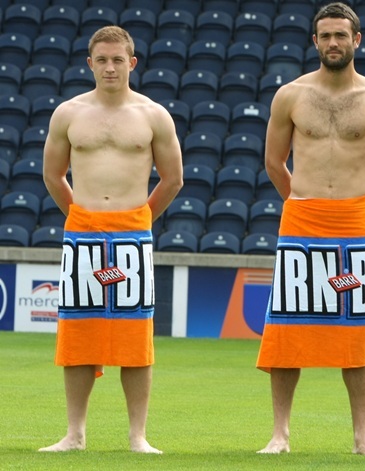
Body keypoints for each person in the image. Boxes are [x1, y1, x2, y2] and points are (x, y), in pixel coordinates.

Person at [255, 2, 365, 458]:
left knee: (356, 330)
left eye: (341, 35)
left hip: (355, 222)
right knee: (286, 330)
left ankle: (362, 438)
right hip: (301, 219)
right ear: (314, 41)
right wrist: (300, 202)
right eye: (325, 35)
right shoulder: (291, 96)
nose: (333, 43)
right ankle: (280, 434)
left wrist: (356, 207)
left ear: (357, 40)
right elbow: (274, 162)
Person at [40, 26, 183, 453]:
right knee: (79, 337)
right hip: (82, 233)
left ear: (132, 63)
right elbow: (52, 174)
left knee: (135, 338)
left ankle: (138, 435)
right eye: (101, 60)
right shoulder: (68, 113)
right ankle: (74, 434)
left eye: (118, 59)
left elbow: (173, 179)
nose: (109, 67)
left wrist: (140, 219)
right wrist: (80, 215)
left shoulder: (153, 115)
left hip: (132, 236)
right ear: (89, 63)